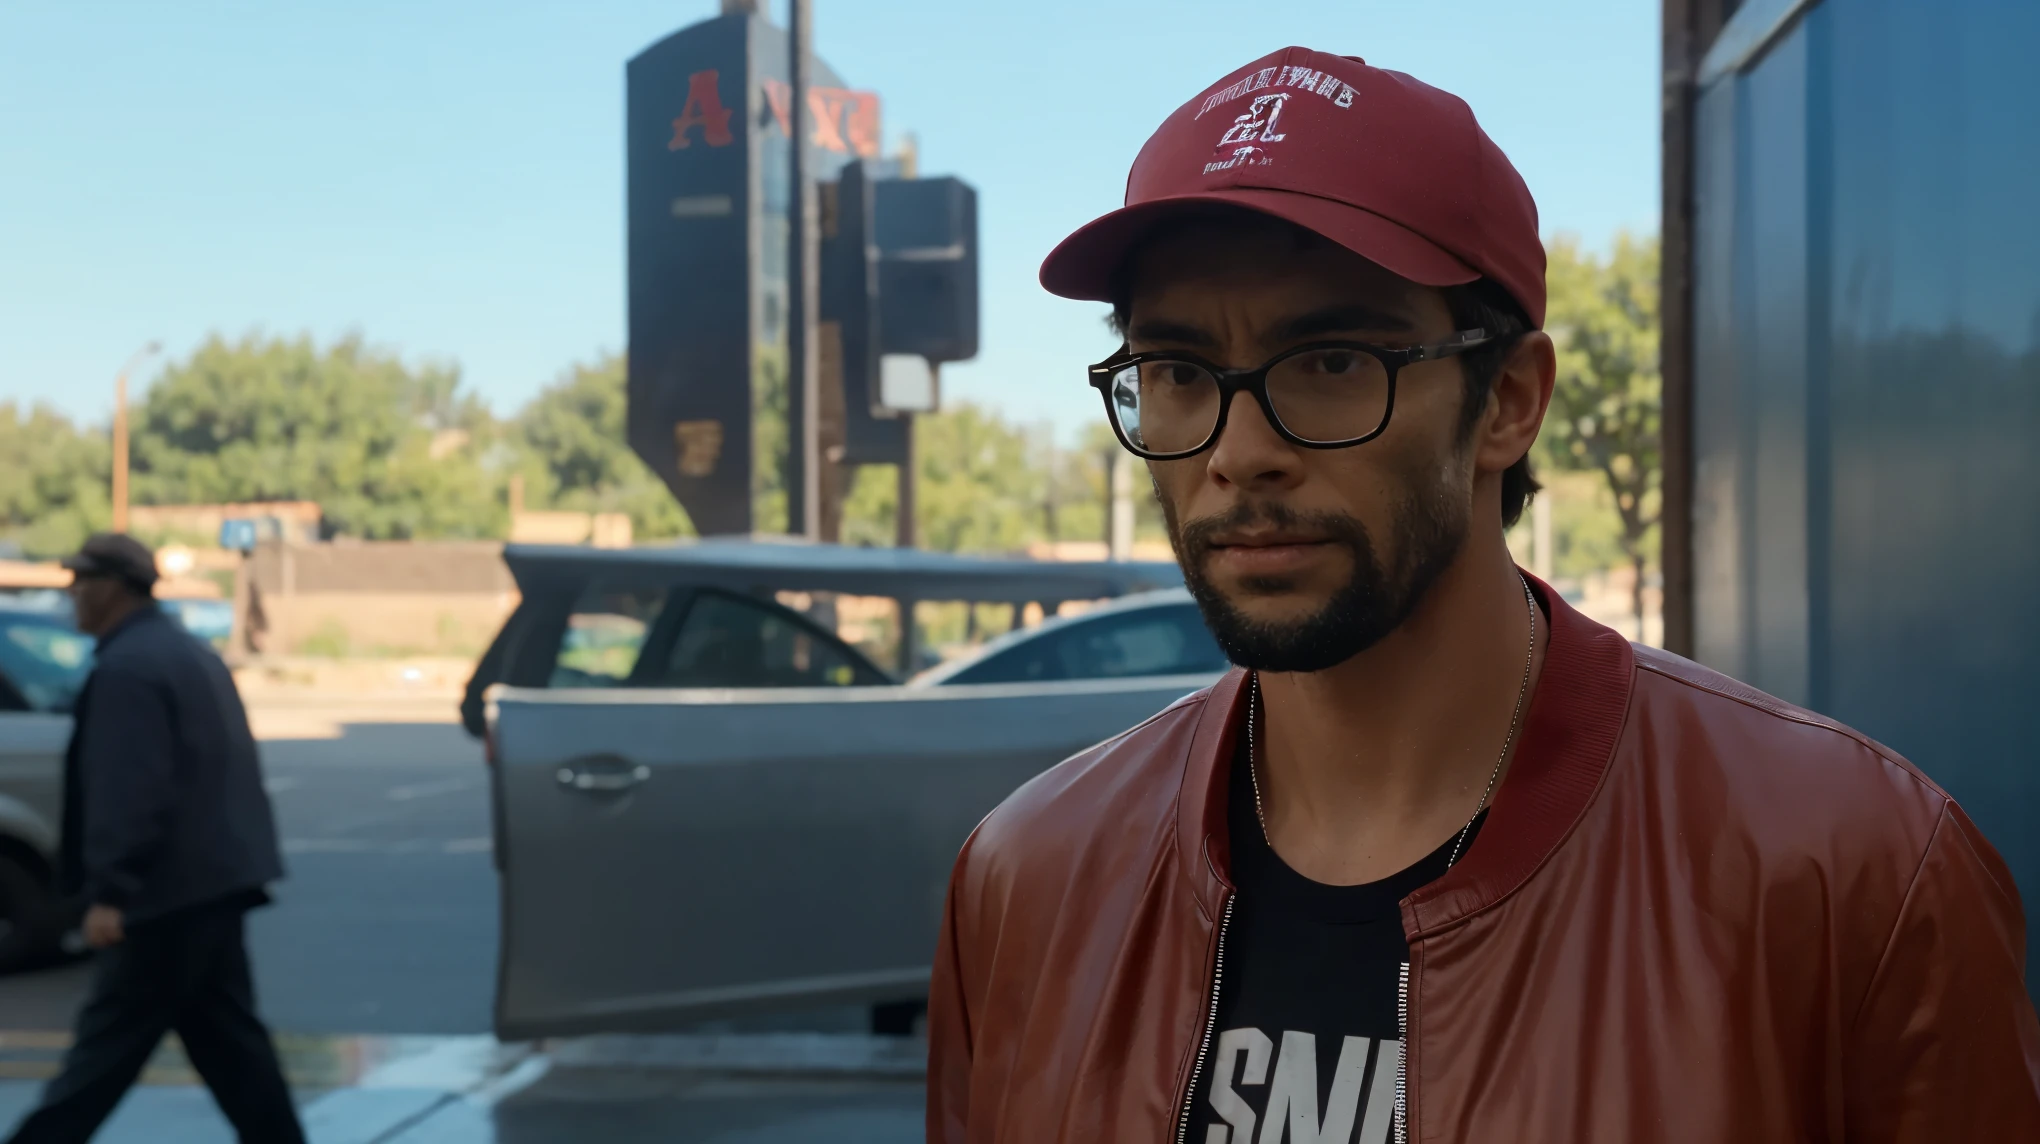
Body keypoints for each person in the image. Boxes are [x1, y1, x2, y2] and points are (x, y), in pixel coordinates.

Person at [926, 47, 2040, 1142]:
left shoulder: (1848, 872)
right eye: (1176, 374)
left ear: (1507, 399)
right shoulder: (1029, 880)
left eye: (1331, 360)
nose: (1242, 450)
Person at [5, 533, 304, 1144]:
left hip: (165, 894)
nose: (72, 598)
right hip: (213, 882)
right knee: (231, 1047)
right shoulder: (185, 652)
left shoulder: (129, 669)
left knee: (101, 1058)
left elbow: (129, 789)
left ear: (111, 588)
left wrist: (112, 892)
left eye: (79, 584)